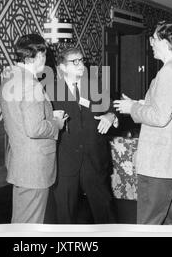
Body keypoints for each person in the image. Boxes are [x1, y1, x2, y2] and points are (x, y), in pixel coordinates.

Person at [114, 21, 172, 225]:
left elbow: (160, 117)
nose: (151, 43)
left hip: (161, 163)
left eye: (153, 39)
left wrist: (132, 109)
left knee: (149, 223)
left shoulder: (168, 72)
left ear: (163, 41)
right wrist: (139, 103)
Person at [0, 34, 67, 223]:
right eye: (44, 56)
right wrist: (57, 123)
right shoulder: (31, 84)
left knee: (22, 220)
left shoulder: (10, 76)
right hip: (34, 166)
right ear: (38, 57)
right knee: (30, 223)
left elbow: (18, 119)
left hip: (21, 161)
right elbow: (35, 129)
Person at [49, 47, 118, 224]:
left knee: (105, 211)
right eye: (75, 62)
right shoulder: (50, 91)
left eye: (82, 60)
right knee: (65, 214)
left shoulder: (95, 86)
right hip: (65, 162)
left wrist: (111, 116)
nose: (81, 65)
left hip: (94, 160)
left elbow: (112, 110)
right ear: (62, 67)